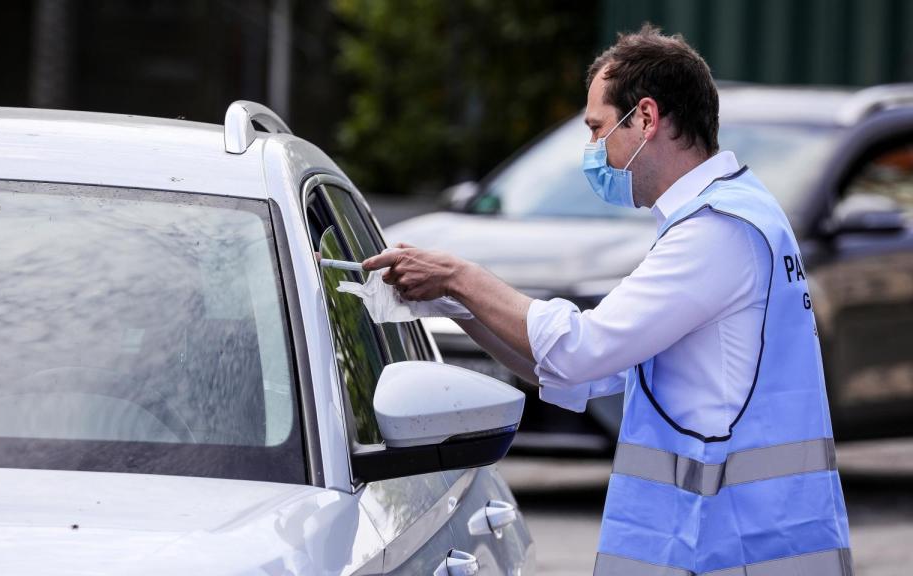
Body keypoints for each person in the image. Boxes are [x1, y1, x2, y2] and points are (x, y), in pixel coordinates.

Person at [363, 25, 853, 576]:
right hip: (741, 543)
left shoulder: (717, 232)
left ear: (645, 118)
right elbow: (582, 377)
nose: (594, 152)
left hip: (730, 550)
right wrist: (459, 306)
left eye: (598, 129)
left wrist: (462, 276)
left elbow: (581, 351)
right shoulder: (738, 213)